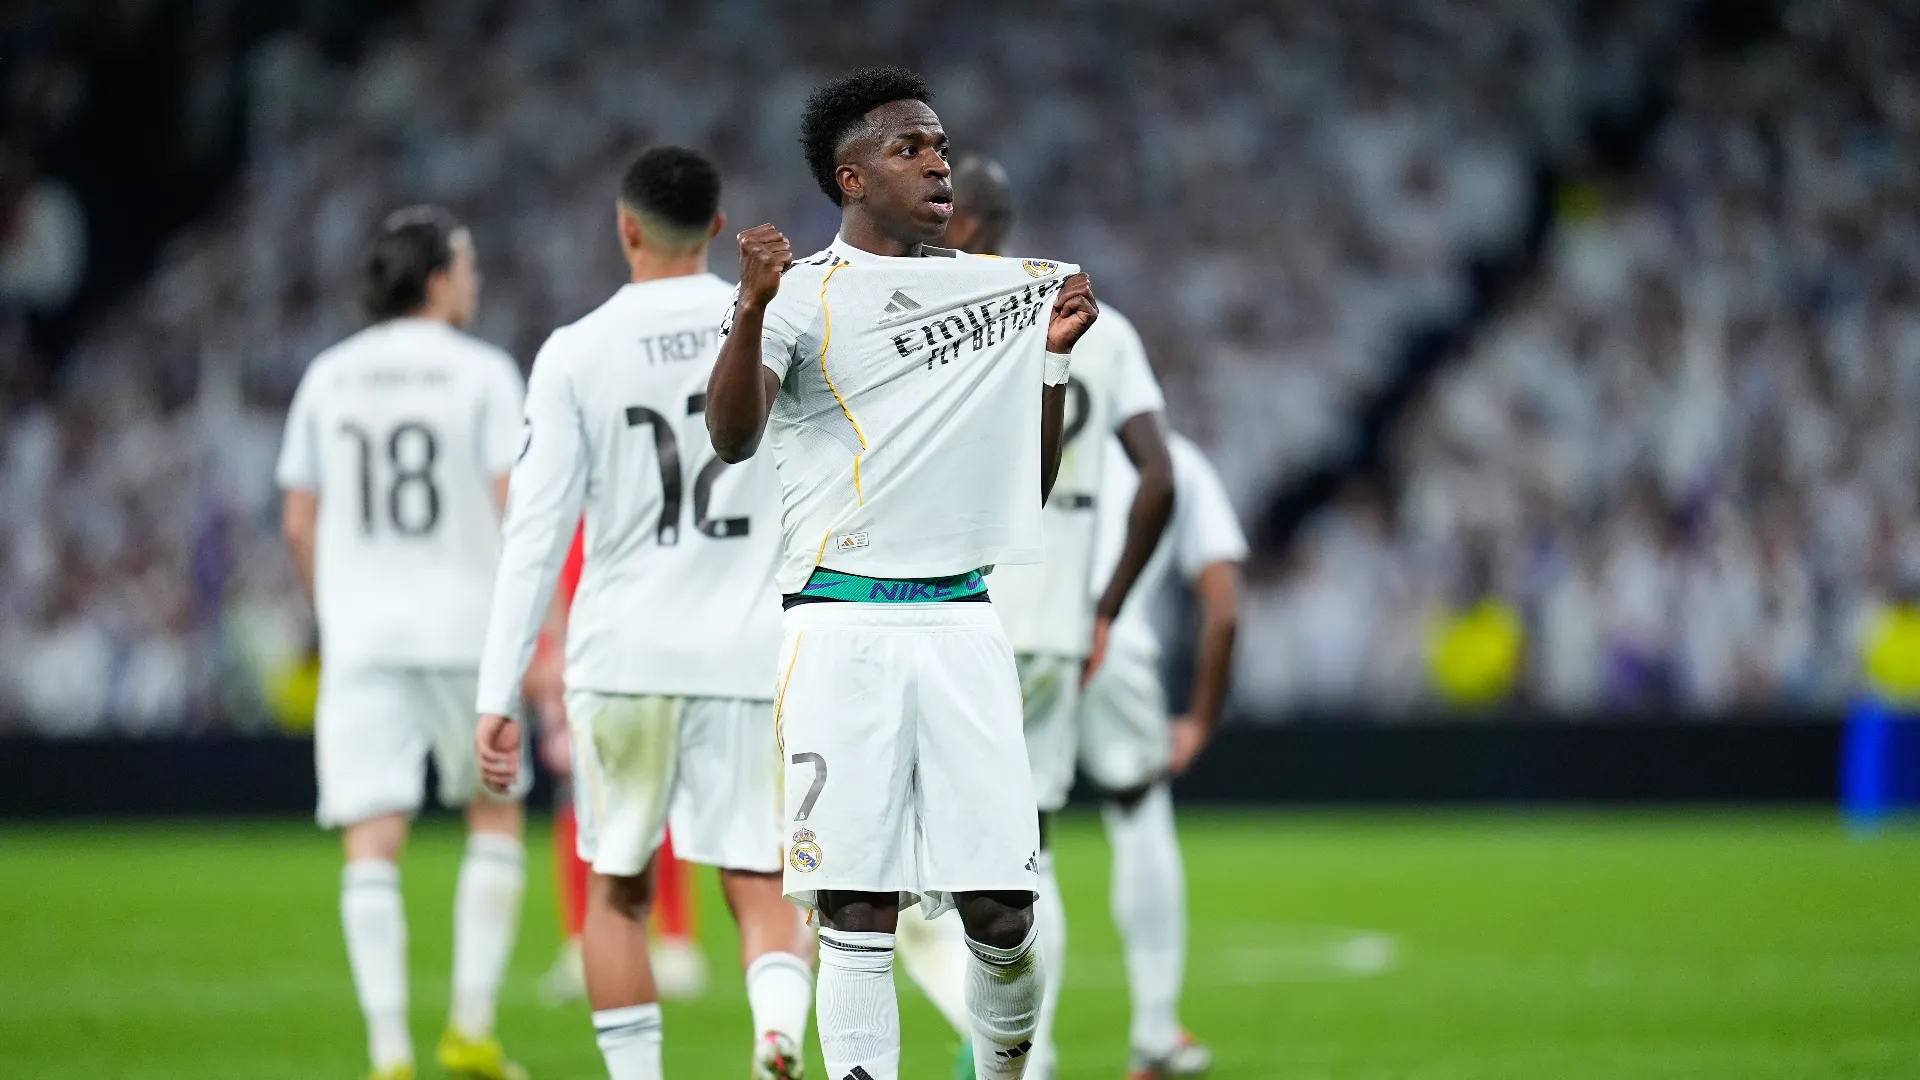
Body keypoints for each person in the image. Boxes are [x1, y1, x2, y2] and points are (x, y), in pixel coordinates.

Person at [704, 66, 1099, 1080]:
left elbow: (1022, 488)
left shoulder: (990, 294)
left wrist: (1053, 362)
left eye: (941, 148)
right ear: (851, 178)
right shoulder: (798, 296)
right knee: (856, 905)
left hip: (964, 623)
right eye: (909, 147)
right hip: (838, 628)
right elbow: (732, 436)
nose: (936, 163)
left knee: (1004, 912)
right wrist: (749, 308)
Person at [471, 147, 814, 1080]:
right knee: (762, 878)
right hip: (750, 651)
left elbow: (535, 535)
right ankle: (776, 1030)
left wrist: (498, 692)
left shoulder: (575, 351)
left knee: (617, 892)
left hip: (622, 655)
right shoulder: (775, 325)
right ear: (716, 227)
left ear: (625, 228)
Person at [912, 152, 1175, 1079]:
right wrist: (1107, 607)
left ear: (964, 224)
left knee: (960, 855)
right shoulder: (1101, 323)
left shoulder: (956, 313)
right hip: (1058, 620)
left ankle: (1026, 1048)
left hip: (962, 610)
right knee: (1034, 846)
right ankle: (1028, 1045)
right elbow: (1160, 478)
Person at [277, 206, 531, 1080]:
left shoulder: (329, 375)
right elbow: (515, 506)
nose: (474, 279)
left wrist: (335, 609)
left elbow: (299, 522)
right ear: (435, 278)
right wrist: (540, 630)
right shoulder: (483, 373)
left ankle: (389, 1051)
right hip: (470, 633)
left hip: (364, 640)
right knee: (493, 814)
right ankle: (470, 1031)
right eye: (466, 264)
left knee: (371, 840)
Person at [1080, 433, 1245, 1079]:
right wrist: (1200, 719)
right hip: (1115, 641)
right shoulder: (1176, 460)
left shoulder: (1026, 426)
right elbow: (1224, 609)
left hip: (1019, 641)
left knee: (1029, 843)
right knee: (1140, 816)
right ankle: (1154, 1033)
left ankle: (1023, 1057)